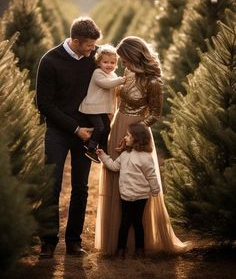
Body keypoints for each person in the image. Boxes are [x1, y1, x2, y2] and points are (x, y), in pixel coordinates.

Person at [95, 36, 192, 255]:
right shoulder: (128, 74)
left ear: (134, 56)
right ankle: (116, 242)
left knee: (135, 178)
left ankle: (138, 242)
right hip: (117, 124)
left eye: (125, 60)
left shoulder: (153, 82)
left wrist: (134, 131)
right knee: (117, 176)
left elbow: (155, 114)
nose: (122, 64)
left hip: (137, 133)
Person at [36, 16, 101, 259]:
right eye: (89, 46)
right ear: (75, 41)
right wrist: (75, 128)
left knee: (81, 187)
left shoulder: (91, 61)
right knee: (51, 186)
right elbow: (44, 103)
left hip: (85, 134)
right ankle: (48, 242)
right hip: (57, 133)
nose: (92, 50)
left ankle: (74, 241)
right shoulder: (50, 61)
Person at [96, 122, 160, 258]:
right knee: (125, 223)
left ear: (137, 139)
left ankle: (140, 250)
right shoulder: (124, 155)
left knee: (137, 223)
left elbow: (151, 175)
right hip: (126, 196)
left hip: (141, 196)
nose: (125, 138)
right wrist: (103, 156)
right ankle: (121, 250)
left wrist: (155, 190)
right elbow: (113, 166)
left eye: (128, 136)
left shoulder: (146, 157)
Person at [79, 44, 125, 163]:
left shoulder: (113, 75)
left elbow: (114, 91)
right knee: (99, 127)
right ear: (99, 62)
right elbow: (106, 84)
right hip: (92, 107)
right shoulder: (98, 73)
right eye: (105, 62)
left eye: (112, 62)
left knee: (106, 128)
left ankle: (103, 149)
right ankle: (90, 148)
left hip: (102, 109)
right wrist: (121, 80)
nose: (109, 65)